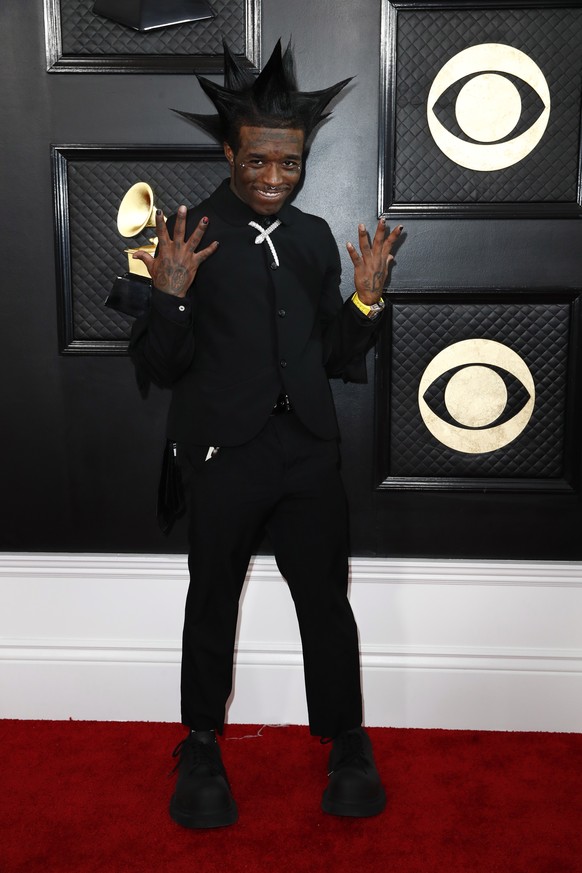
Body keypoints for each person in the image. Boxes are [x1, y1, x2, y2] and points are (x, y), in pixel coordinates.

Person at [129, 40, 403, 829]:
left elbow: (340, 356)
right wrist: (171, 297)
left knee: (327, 603)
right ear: (230, 151)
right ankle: (203, 744)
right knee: (212, 596)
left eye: (290, 162)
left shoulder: (316, 238)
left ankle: (346, 740)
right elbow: (160, 364)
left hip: (309, 452)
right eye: (258, 162)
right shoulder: (188, 234)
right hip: (223, 454)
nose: (275, 177)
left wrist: (365, 302)